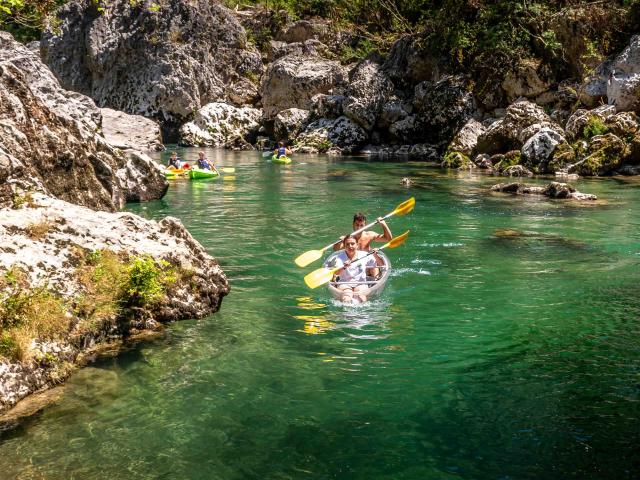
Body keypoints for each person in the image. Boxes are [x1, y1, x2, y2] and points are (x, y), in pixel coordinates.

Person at [333, 213, 392, 278]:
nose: (358, 228)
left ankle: (375, 279)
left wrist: (383, 224)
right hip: (352, 269)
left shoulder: (369, 235)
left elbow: (388, 238)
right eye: (357, 225)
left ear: (365, 225)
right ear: (353, 224)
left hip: (368, 268)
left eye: (361, 225)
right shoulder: (348, 240)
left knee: (373, 261)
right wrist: (338, 243)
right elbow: (336, 249)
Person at [331, 236, 383, 304]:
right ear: (344, 246)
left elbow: (381, 265)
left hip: (361, 283)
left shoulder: (364, 255)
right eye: (347, 244)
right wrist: (344, 267)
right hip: (345, 284)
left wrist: (375, 255)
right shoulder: (339, 258)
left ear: (357, 245)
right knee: (346, 298)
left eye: (352, 244)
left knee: (362, 298)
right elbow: (335, 273)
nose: (350, 246)